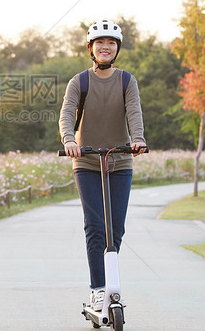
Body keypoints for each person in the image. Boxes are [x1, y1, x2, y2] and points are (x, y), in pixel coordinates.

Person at [59, 19, 147, 312]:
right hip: (86, 161)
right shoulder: (79, 82)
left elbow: (133, 111)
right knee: (96, 226)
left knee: (116, 229)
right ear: (91, 48)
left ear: (117, 48)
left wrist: (138, 139)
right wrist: (69, 139)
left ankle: (111, 283)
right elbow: (67, 113)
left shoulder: (126, 81)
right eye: (100, 43)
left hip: (120, 160)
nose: (105, 47)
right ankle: (98, 289)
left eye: (111, 43)